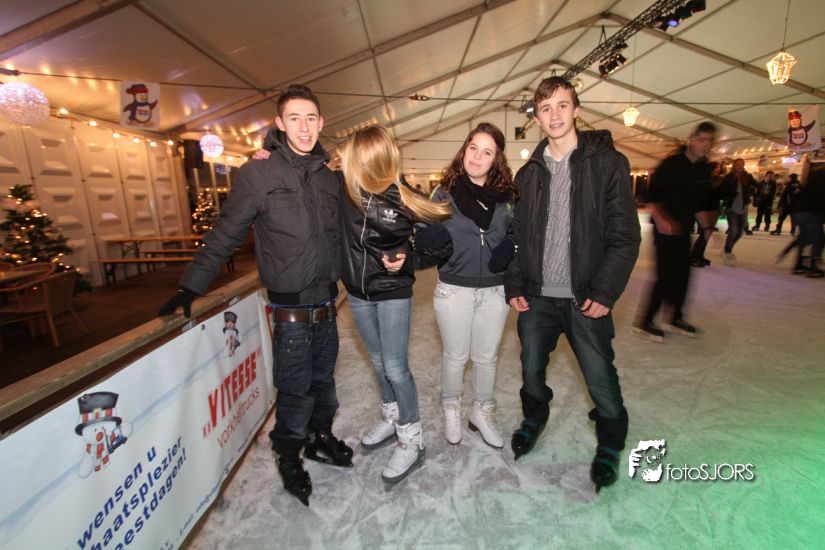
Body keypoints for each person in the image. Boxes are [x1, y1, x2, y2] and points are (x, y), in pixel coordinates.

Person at [159, 84, 351, 507]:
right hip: (291, 312)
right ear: (280, 124)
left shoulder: (328, 176)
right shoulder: (258, 174)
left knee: (324, 383)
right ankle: (289, 454)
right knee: (295, 389)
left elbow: (345, 231)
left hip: (327, 304)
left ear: (322, 122)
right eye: (295, 119)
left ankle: (320, 436)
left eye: (311, 119)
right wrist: (191, 284)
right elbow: (226, 232)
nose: (304, 127)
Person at [503, 77, 641, 492]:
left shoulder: (607, 163)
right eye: (546, 108)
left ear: (576, 109)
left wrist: (604, 292)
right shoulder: (529, 173)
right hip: (538, 297)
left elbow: (625, 236)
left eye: (562, 105)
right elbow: (517, 236)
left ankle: (611, 439)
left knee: (599, 375)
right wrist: (515, 284)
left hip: (585, 297)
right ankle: (534, 416)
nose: (555, 115)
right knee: (530, 369)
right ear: (537, 118)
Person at [338, 125, 452, 485]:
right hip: (357, 292)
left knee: (395, 367)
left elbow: (442, 245)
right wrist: (271, 151)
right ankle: (392, 416)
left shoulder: (403, 197)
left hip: (392, 292)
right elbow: (305, 172)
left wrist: (409, 259)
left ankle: (412, 435)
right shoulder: (344, 191)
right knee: (376, 360)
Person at [430, 122, 517, 448]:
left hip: (495, 290)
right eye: (473, 148)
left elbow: (518, 232)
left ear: (496, 159)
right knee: (455, 356)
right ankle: (452, 408)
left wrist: (513, 246)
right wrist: (427, 243)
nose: (477, 157)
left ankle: (482, 411)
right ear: (464, 150)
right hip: (454, 289)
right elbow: (423, 232)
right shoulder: (444, 192)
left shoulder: (508, 197)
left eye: (487, 152)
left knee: (486, 357)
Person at [634, 122, 716, 342]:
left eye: (709, 140)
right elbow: (652, 195)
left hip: (684, 229)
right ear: (691, 139)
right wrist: (661, 219)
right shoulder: (671, 165)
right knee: (665, 276)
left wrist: (707, 227)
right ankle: (645, 322)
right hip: (665, 230)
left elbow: (699, 205)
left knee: (684, 275)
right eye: (702, 139)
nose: (706, 144)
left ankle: (675, 317)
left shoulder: (701, 169)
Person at [719, 158, 756, 266]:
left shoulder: (747, 176)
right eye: (737, 164)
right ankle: (728, 252)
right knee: (733, 231)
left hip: (743, 208)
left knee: (739, 233)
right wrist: (730, 194)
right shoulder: (729, 177)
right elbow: (723, 190)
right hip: (731, 208)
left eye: (741, 164)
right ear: (734, 166)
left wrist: (751, 194)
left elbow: (755, 185)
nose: (739, 166)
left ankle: (726, 248)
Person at [690, 161, 723, 267]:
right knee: (705, 232)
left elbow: (721, 195)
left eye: (719, 167)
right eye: (716, 167)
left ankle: (699, 255)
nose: (718, 169)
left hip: (714, 209)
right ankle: (695, 256)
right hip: (704, 210)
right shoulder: (704, 180)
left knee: (707, 233)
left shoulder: (719, 180)